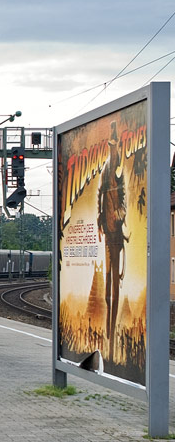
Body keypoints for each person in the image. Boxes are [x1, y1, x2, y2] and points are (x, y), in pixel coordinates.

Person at [96, 121, 128, 362]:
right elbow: (100, 196)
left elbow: (122, 201)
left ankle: (111, 330)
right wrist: (102, 219)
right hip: (109, 232)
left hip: (116, 231)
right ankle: (108, 331)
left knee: (113, 281)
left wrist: (120, 215)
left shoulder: (118, 174)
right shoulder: (108, 172)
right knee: (110, 280)